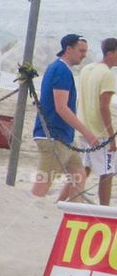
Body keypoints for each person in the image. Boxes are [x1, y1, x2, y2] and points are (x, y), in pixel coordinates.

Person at [32, 34, 97, 201]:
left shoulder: (61, 69)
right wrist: (87, 132)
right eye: (81, 50)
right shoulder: (60, 70)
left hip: (64, 138)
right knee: (42, 185)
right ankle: (27, 217)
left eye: (85, 51)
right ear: (68, 49)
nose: (84, 54)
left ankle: (70, 213)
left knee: (79, 174)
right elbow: (61, 108)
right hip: (53, 136)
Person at [77, 37, 117, 205]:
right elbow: (103, 107)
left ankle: (69, 199)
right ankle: (105, 208)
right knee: (107, 172)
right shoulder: (107, 74)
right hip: (98, 132)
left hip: (83, 128)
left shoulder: (87, 69)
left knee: (84, 169)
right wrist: (111, 136)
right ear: (110, 53)